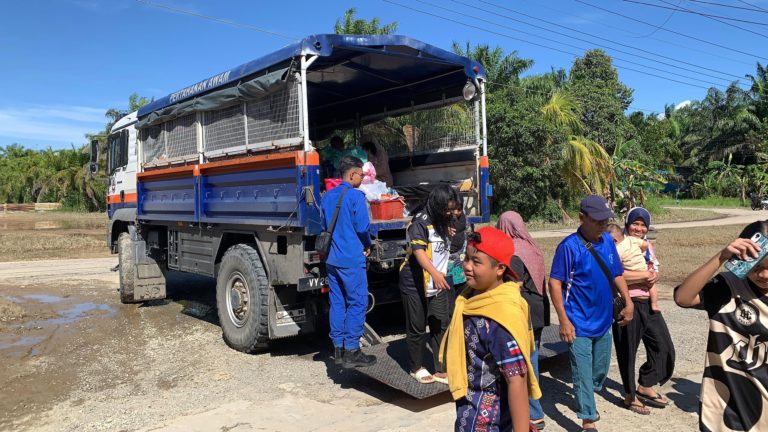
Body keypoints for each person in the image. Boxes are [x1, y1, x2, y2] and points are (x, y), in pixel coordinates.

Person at [439, 226, 542, 432]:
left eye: (476, 262)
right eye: (467, 259)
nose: (467, 266)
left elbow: (517, 380)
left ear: (500, 269)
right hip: (470, 409)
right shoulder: (470, 298)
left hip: (487, 422)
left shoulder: (499, 316)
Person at [548, 195, 634, 431]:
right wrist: (563, 321)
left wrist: (628, 302)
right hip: (579, 323)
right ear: (582, 218)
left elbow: (617, 274)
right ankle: (588, 418)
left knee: (599, 371)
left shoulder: (607, 241)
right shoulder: (569, 247)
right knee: (583, 372)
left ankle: (587, 391)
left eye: (606, 220)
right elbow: (554, 284)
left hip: (604, 321)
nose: (603, 225)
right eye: (597, 221)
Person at [674, 220, 768, 432]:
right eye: (757, 266)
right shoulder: (729, 287)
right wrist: (721, 256)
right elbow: (683, 297)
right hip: (728, 405)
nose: (764, 275)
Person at [614, 207, 675, 414]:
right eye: (635, 224)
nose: (639, 228)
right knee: (627, 351)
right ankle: (630, 396)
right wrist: (643, 275)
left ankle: (645, 384)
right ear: (627, 224)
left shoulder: (646, 246)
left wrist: (653, 276)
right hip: (627, 303)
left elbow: (652, 270)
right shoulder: (617, 245)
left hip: (648, 302)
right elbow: (615, 274)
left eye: (643, 225)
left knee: (664, 347)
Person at [399, 184, 459, 384]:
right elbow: (419, 253)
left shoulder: (442, 222)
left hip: (437, 282)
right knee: (417, 326)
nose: (450, 213)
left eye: (452, 209)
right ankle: (416, 367)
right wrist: (435, 273)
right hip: (416, 282)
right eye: (447, 209)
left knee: (440, 324)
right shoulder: (419, 223)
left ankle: (441, 368)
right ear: (437, 205)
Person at [320, 155, 376, 368]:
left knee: (337, 302)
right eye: (361, 175)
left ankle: (339, 349)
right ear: (351, 174)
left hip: (332, 260)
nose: (362, 179)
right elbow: (363, 228)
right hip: (351, 259)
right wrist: (368, 244)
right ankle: (352, 350)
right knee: (357, 302)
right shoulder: (355, 197)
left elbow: (325, 224)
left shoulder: (327, 197)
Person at [498, 211, 550, 430]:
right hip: (539, 309)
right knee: (532, 357)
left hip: (525, 311)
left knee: (526, 363)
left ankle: (534, 413)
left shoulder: (513, 252)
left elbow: (515, 285)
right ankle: (533, 409)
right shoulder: (531, 245)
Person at [608, 224, 659, 312]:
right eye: (635, 224)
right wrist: (640, 251)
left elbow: (617, 268)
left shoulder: (616, 250)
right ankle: (654, 304)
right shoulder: (631, 239)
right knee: (652, 285)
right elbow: (645, 245)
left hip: (632, 271)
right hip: (643, 268)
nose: (639, 228)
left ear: (614, 241)